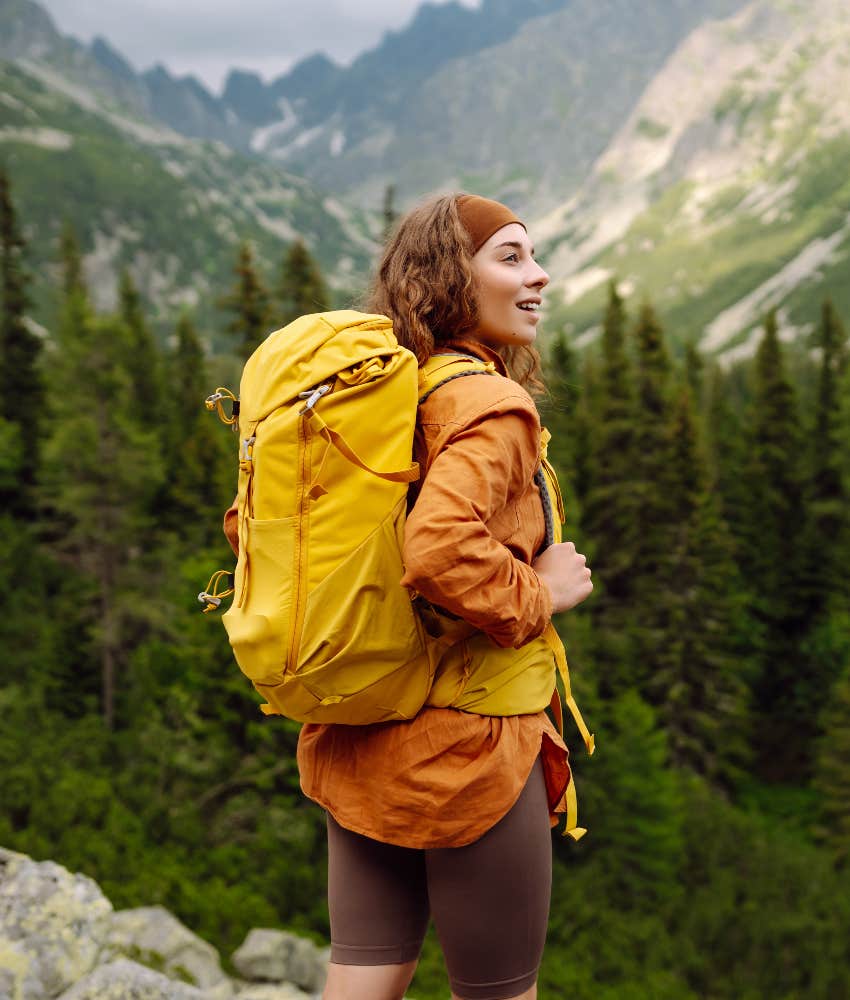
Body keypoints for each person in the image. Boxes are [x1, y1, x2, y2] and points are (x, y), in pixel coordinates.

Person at [291, 193, 594, 1000]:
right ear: (451, 278)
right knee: (499, 991)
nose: (539, 275)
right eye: (512, 257)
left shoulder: (384, 394)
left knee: (364, 972)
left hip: (362, 728)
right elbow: (437, 549)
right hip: (471, 750)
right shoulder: (490, 404)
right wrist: (541, 592)